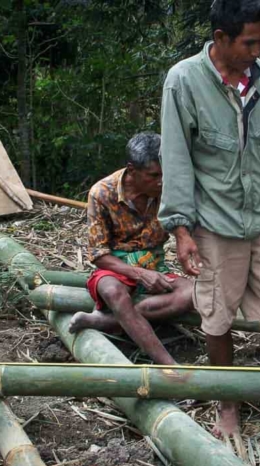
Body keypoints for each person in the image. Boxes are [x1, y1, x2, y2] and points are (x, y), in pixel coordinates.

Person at [159, 0, 260, 444]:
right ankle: (229, 403)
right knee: (217, 318)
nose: (257, 50)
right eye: (250, 42)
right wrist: (182, 230)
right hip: (213, 222)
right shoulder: (184, 81)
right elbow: (177, 158)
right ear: (221, 38)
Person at [69, 132, 193, 366]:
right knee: (113, 292)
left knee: (192, 293)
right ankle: (169, 365)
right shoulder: (102, 193)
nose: (162, 181)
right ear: (132, 170)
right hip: (116, 268)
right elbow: (99, 255)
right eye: (154, 175)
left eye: (165, 174)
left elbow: (183, 225)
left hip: (155, 264)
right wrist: (140, 274)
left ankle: (108, 321)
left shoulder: (169, 191)